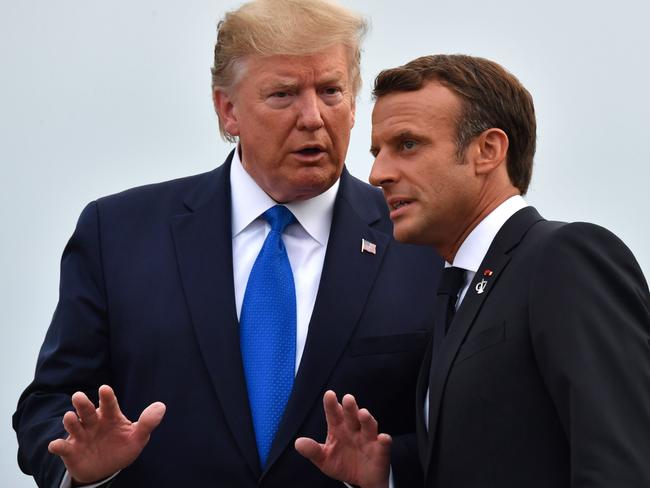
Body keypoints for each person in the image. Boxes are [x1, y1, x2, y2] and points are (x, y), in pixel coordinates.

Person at [12, 2, 443, 487]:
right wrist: (81, 470)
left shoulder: (424, 243)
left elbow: (462, 429)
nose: (313, 117)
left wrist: (389, 471)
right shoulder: (116, 233)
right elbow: (48, 405)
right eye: (283, 94)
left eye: (331, 91)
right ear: (228, 109)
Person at [295, 54, 650, 487]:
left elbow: (623, 461)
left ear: (488, 151)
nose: (377, 174)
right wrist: (389, 473)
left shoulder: (564, 257)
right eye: (377, 151)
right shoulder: (456, 290)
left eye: (407, 144)